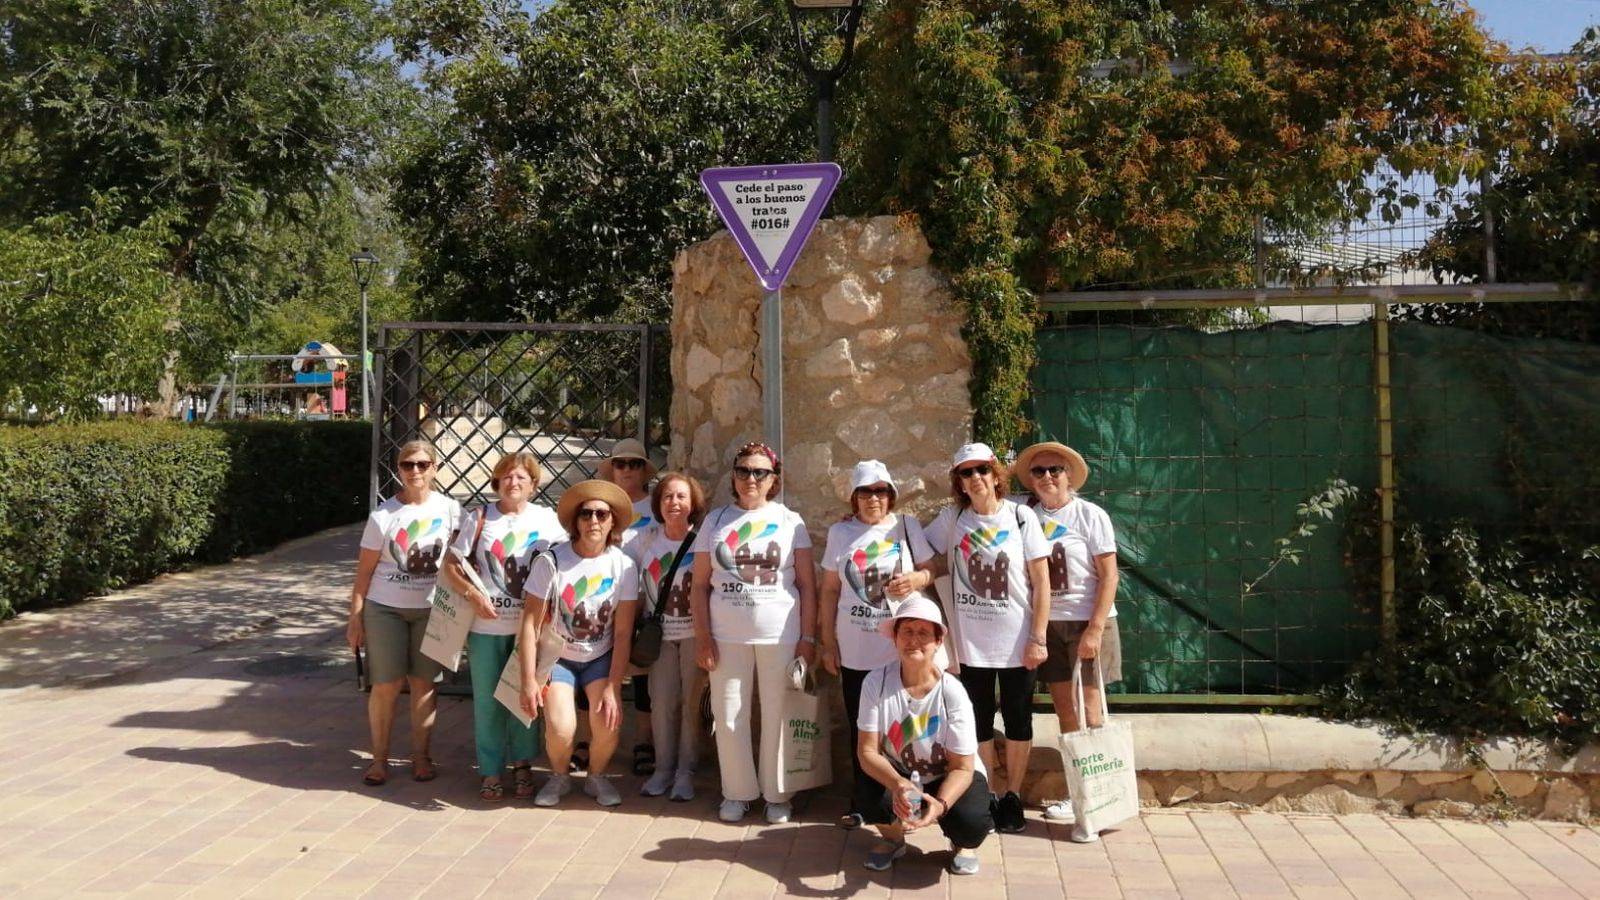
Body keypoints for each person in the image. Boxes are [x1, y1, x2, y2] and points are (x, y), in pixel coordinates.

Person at [923, 442, 1050, 835]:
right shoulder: (953, 518)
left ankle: (1013, 795)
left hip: (1017, 641)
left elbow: (1041, 581)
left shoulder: (1021, 517)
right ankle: (989, 793)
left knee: (1017, 720)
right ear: (958, 482)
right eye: (966, 472)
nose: (975, 478)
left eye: (981, 470)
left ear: (996, 474)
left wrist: (1039, 637)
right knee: (976, 722)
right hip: (970, 644)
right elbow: (919, 550)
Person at [689, 441, 818, 824]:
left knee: (779, 713)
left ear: (773, 479)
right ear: (734, 476)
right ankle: (737, 792)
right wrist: (703, 637)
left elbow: (808, 586)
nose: (751, 478)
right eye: (744, 470)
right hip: (726, 635)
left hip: (780, 634)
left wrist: (807, 640)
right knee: (729, 714)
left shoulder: (791, 521)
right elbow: (698, 585)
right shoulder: (714, 522)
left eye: (760, 472)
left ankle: (778, 795)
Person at [819, 460, 939, 830]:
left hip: (899, 652)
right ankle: (864, 803)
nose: (874, 498)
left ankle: (907, 801)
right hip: (855, 650)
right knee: (863, 730)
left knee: (902, 728)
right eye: (866, 492)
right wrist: (827, 643)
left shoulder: (907, 527)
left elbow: (934, 569)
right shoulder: (841, 533)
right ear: (854, 498)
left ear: (891, 496)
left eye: (881, 491)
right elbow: (829, 590)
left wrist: (917, 578)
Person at [440, 452, 564, 803]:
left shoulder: (548, 520)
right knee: (488, 702)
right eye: (508, 476)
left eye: (522, 477)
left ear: (534, 484)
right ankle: (490, 769)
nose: (514, 483)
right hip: (485, 628)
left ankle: (523, 764)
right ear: (497, 481)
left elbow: (563, 563)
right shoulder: (480, 517)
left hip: (529, 628)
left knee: (525, 696)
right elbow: (452, 566)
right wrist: (472, 596)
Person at [1013, 441, 1121, 842]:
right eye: (1038, 472)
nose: (1046, 478)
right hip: (1048, 626)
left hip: (1086, 622)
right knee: (1066, 714)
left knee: (1091, 713)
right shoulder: (1024, 516)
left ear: (1069, 475)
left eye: (1054, 470)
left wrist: (1094, 629)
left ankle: (1099, 803)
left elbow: (1109, 575)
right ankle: (1079, 796)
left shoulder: (1090, 515)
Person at [347, 439, 462, 786]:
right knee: (385, 685)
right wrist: (355, 618)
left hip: (431, 610)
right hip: (385, 610)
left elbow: (462, 561)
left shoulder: (451, 511)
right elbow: (364, 573)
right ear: (398, 470)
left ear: (435, 469)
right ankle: (379, 758)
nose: (415, 471)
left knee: (424, 685)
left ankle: (421, 756)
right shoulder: (383, 515)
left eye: (423, 464)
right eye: (408, 465)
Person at [518, 479, 639, 807]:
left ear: (612, 520)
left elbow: (624, 632)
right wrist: (528, 680)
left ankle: (596, 776)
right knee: (562, 728)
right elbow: (529, 624)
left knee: (608, 724)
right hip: (559, 657)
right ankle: (559, 776)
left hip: (600, 657)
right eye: (586, 514)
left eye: (602, 514)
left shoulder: (624, 566)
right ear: (575, 521)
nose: (594, 521)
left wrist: (614, 685)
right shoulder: (552, 562)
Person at [856, 596, 993, 875]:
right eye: (907, 631)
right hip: (903, 775)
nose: (913, 640)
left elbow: (963, 768)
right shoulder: (875, 682)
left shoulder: (952, 693)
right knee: (865, 789)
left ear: (938, 642)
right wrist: (899, 785)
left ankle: (961, 844)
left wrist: (939, 806)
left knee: (972, 823)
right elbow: (867, 752)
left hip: (947, 775)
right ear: (895, 637)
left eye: (923, 633)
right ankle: (893, 839)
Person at [626, 472, 708, 800]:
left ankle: (686, 772)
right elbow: (627, 582)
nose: (674, 503)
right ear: (658, 503)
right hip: (657, 636)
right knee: (661, 704)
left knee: (690, 704)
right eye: (667, 497)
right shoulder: (643, 540)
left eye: (681, 497)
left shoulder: (703, 540)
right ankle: (663, 769)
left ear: (693, 503)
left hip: (692, 634)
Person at [599, 437, 658, 776]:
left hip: (645, 600)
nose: (626, 470)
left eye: (634, 464)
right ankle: (587, 739)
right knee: (594, 670)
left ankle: (643, 741)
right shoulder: (601, 504)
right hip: (604, 601)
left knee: (643, 678)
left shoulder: (656, 506)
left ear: (643, 470)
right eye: (620, 464)